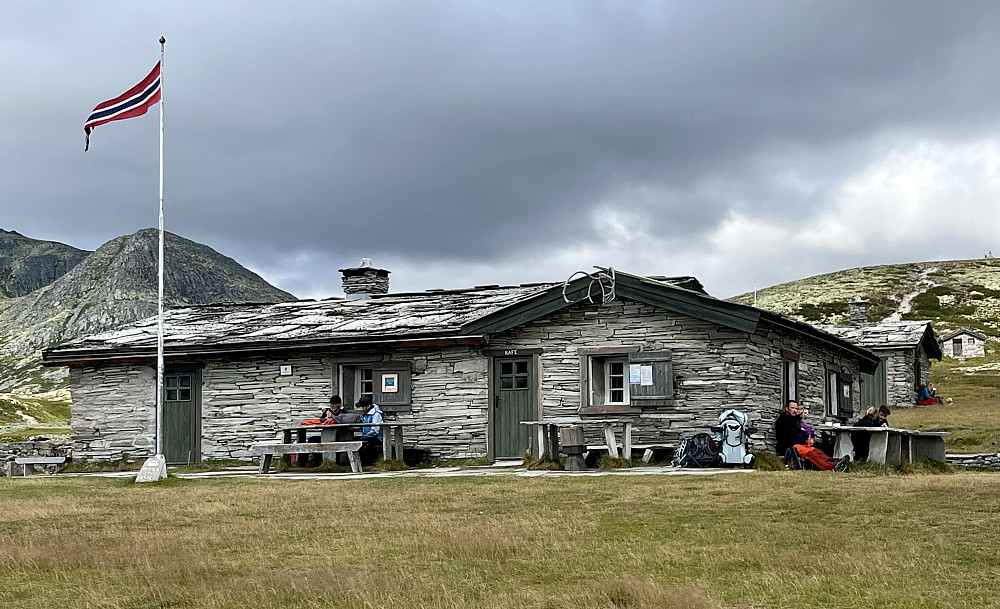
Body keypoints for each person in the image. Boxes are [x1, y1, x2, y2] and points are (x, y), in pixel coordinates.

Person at [774, 400, 850, 472]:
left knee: (818, 452)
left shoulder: (795, 421)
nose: (794, 410)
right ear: (786, 409)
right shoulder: (783, 419)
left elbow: (800, 432)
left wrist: (808, 439)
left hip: (802, 445)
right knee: (812, 455)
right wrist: (799, 416)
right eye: (792, 408)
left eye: (796, 408)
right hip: (791, 447)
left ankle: (835, 462)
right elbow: (788, 424)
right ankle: (831, 468)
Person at [357, 396, 384, 466]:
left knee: (366, 445)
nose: (362, 409)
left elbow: (375, 431)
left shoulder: (376, 415)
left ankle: (367, 463)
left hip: (376, 438)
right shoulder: (365, 415)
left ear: (368, 406)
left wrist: (364, 437)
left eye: (363, 407)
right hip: (367, 436)